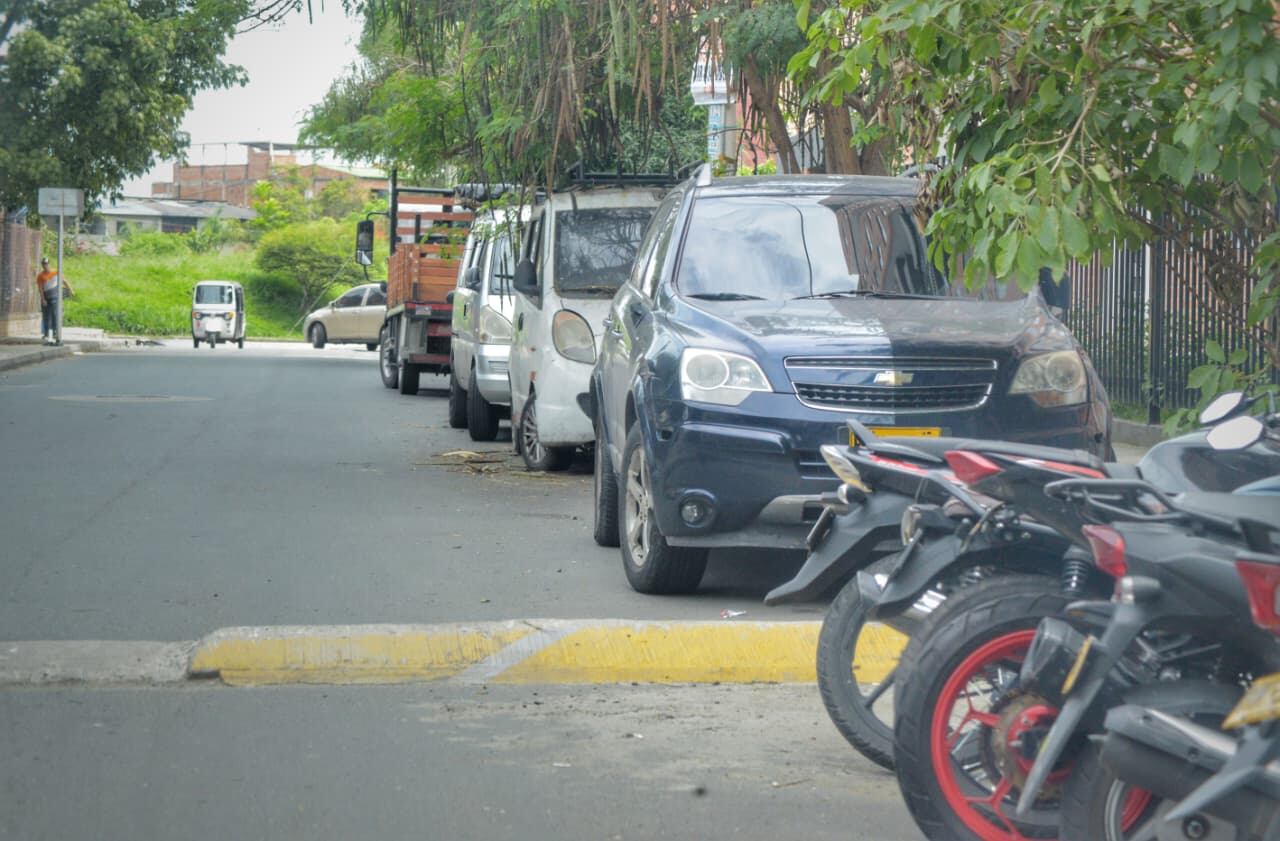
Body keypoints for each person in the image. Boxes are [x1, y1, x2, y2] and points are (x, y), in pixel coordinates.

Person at [36, 257, 73, 344]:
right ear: (42, 265)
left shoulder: (55, 272)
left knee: (55, 315)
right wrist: (43, 299)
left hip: (55, 297)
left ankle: (56, 332)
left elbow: (64, 281)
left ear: (49, 264)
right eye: (44, 264)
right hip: (46, 297)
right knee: (46, 316)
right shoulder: (40, 276)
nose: (45, 266)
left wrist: (70, 290)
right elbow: (40, 288)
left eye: (46, 264)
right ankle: (46, 333)